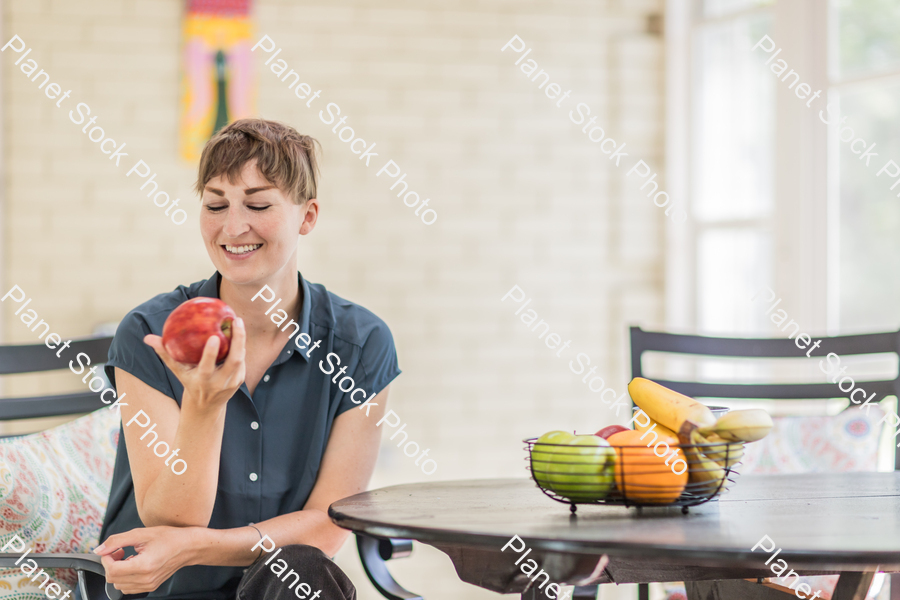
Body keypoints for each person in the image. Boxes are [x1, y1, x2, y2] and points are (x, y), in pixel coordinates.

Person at [91, 118, 400, 599]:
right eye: (215, 204)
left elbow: (328, 525)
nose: (233, 227)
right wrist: (205, 406)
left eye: (257, 204)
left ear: (308, 216)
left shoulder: (361, 345)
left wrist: (198, 546)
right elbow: (171, 520)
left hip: (286, 586)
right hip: (166, 591)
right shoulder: (149, 334)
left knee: (301, 566)